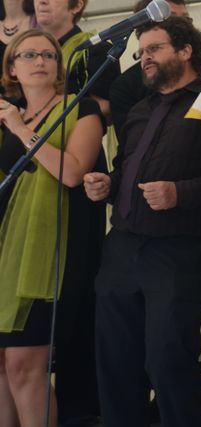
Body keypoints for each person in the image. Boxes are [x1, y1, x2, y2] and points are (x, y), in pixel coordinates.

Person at [82, 17, 201, 427]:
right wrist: (106, 184)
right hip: (122, 246)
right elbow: (126, 168)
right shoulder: (140, 109)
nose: (144, 58)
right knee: (115, 359)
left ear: (185, 51)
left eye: (155, 49)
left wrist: (179, 193)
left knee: (168, 357)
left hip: (176, 249)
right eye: (141, 52)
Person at [0, 30, 104, 427]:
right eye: (28, 55)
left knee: (26, 364)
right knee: (2, 365)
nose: (40, 60)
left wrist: (22, 131)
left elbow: (73, 172)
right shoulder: (9, 112)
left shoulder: (82, 108)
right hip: (6, 247)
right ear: (12, 67)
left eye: (48, 54)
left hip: (49, 253)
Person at [32, 0, 116, 426]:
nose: (42, 1)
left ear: (77, 4)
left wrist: (51, 102)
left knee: (77, 292)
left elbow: (107, 105)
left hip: (76, 175)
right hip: (32, 186)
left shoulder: (96, 48)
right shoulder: (25, 47)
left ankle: (81, 411)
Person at [108, 0, 201, 141]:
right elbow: (130, 150)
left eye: (187, 19)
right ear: (145, 25)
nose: (184, 25)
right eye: (172, 18)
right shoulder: (126, 87)